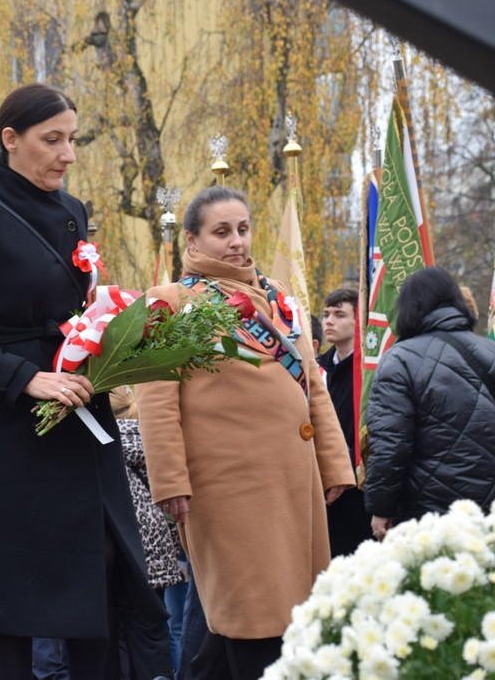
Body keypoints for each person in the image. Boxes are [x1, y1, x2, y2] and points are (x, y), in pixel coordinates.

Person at [0, 82, 172, 680]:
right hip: (9, 430)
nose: (68, 154)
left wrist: (122, 339)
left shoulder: (72, 212)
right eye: (52, 140)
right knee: (10, 604)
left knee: (102, 570)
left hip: (78, 420)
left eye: (73, 140)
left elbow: (77, 312)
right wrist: (24, 377)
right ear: (10, 140)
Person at [135, 185, 354, 680]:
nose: (236, 241)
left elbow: (311, 382)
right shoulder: (168, 300)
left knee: (277, 619)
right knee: (253, 619)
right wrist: (170, 480)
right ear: (191, 241)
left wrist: (334, 464)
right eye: (221, 232)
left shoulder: (277, 296)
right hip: (229, 489)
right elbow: (157, 398)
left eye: (242, 228)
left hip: (294, 483)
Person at [365, 266, 495, 539]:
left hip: (429, 516)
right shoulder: (490, 351)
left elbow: (390, 444)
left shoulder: (399, 360)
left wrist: (381, 507)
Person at [109, 385, 186, 678]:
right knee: (154, 633)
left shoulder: (102, 444)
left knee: (116, 636)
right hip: (155, 555)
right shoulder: (152, 442)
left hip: (117, 552)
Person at [318, 289, 372, 557]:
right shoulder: (317, 370)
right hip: (322, 486)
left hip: (358, 490)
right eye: (326, 314)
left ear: (358, 321)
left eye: (340, 315)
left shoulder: (369, 373)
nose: (329, 321)